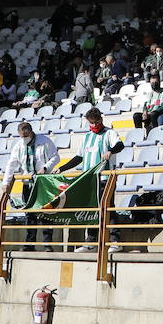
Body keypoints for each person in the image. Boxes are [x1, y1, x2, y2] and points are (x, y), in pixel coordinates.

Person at [66, 108, 126, 253]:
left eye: (96, 122)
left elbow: (120, 145)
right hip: (89, 180)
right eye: (91, 123)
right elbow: (79, 157)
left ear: (101, 119)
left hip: (105, 178)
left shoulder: (109, 133)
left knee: (108, 208)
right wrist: (62, 168)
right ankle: (91, 242)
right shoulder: (87, 137)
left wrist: (110, 151)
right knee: (91, 210)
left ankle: (115, 241)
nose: (94, 125)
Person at [1, 121, 62, 251]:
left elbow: (56, 157)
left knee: (46, 213)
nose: (24, 138)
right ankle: (29, 243)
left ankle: (47, 244)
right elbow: (11, 164)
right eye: (21, 136)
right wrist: (6, 182)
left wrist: (45, 168)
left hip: (43, 183)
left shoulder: (45, 141)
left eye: (26, 135)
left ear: (31, 132)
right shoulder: (19, 145)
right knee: (30, 214)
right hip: (27, 184)